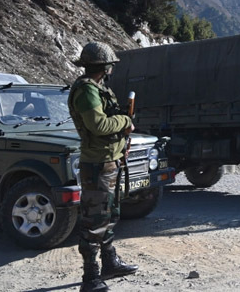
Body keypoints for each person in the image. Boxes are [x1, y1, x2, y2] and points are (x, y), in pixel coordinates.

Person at [68, 41, 138, 292]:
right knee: (94, 221)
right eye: (110, 66)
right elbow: (98, 125)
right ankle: (90, 278)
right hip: (97, 164)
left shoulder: (97, 88)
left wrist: (121, 145)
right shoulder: (87, 91)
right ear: (105, 66)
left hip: (109, 161)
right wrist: (125, 121)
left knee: (109, 216)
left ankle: (109, 262)